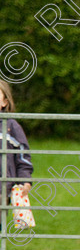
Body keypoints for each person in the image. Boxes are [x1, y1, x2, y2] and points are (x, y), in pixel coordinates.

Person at [0, 80, 33, 214]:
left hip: (2, 190)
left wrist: (24, 179)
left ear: (5, 102)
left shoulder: (11, 127)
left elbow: (23, 156)